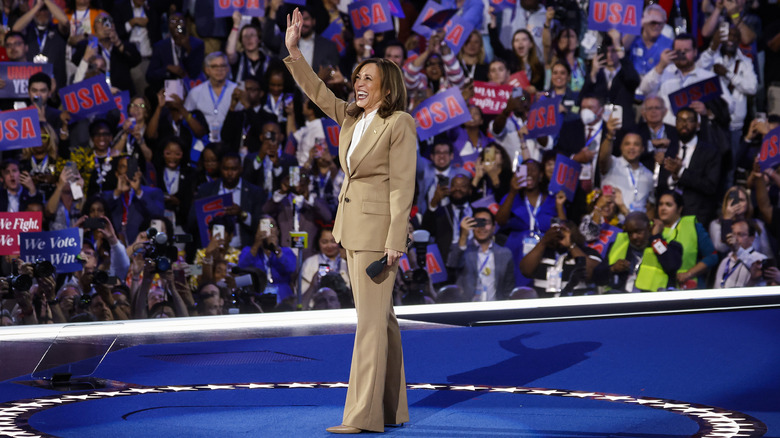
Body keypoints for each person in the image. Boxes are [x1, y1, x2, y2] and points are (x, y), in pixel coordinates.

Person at [284, 8, 414, 433]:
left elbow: (401, 186)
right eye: (357, 78)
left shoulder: (400, 124)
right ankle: (393, 409)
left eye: (367, 80)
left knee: (370, 327)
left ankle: (362, 416)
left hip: (379, 235)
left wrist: (396, 238)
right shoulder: (353, 119)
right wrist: (294, 52)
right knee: (382, 321)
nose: (359, 85)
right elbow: (318, 93)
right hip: (351, 229)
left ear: (386, 87)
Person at [595, 211, 683, 292]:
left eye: (638, 232)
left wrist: (656, 238)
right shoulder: (618, 244)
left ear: (648, 228)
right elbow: (596, 276)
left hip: (652, 301)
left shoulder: (669, 244)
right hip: (621, 300)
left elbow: (672, 265)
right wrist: (612, 268)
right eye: (630, 233)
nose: (634, 237)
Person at [447, 208, 516, 300]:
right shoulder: (463, 249)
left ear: (493, 227)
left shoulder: (505, 254)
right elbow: (452, 265)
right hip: (468, 308)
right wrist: (463, 235)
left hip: (495, 309)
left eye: (486, 223)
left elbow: (508, 289)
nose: (482, 227)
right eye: (478, 223)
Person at [655, 191, 718, 289]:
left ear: (679, 209)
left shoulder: (692, 226)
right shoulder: (651, 228)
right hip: (656, 288)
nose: (663, 208)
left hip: (686, 287)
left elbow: (712, 256)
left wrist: (689, 274)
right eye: (660, 204)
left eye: (668, 205)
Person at [713, 219, 768, 289]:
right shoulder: (725, 261)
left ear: (752, 238)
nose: (735, 238)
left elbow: (755, 265)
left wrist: (738, 249)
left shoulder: (760, 258)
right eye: (733, 234)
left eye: (740, 234)